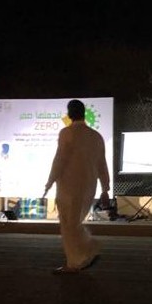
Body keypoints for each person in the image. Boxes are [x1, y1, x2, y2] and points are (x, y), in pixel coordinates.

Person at [44, 99, 110, 275]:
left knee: (68, 225)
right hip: (89, 186)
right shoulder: (96, 136)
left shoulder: (67, 133)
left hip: (69, 186)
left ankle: (83, 253)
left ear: (70, 114)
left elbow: (60, 160)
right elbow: (102, 164)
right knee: (74, 223)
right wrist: (105, 188)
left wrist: (50, 182)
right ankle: (80, 257)